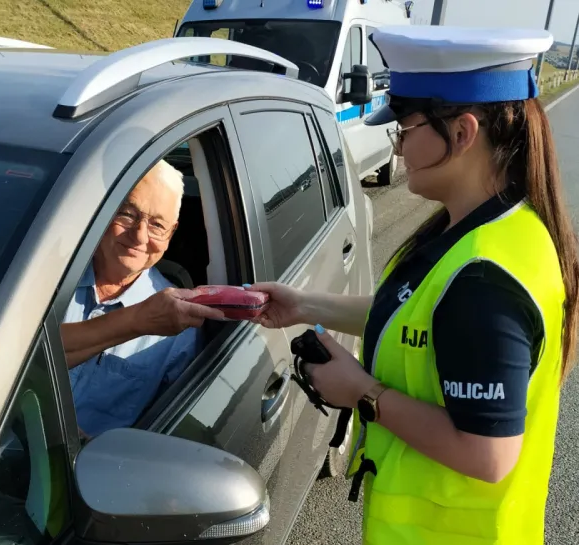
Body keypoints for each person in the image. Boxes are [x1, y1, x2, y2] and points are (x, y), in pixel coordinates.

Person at [246, 25, 579, 545]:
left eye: (404, 126)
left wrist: (361, 391)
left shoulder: (485, 279)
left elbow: (487, 454)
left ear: (463, 133)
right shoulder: (483, 228)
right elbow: (414, 317)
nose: (397, 144)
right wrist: (303, 304)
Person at [60, 159, 223, 439]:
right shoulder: (50, 278)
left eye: (157, 225)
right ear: (105, 211)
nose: (139, 236)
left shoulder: (178, 329)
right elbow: (11, 358)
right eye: (128, 214)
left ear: (171, 234)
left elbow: (164, 436)